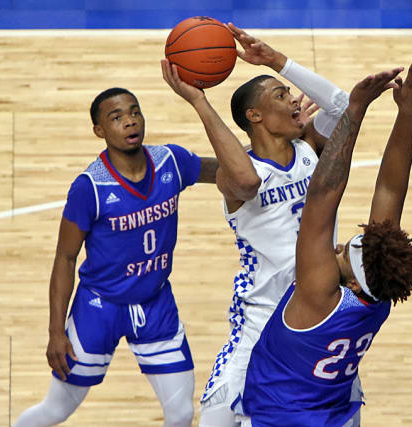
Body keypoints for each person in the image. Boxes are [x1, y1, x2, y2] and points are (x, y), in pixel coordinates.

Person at [162, 23, 391, 426]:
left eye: (288, 92)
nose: (293, 100)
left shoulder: (311, 151)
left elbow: (341, 106)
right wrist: (199, 102)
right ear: (255, 116)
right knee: (216, 415)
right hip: (262, 313)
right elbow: (249, 182)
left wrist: (277, 61)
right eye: (280, 95)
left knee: (339, 412)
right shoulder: (237, 175)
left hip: (320, 312)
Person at [240, 58, 412, 426]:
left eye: (345, 252)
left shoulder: (318, 297)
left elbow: (321, 196)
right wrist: (409, 111)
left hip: (282, 418)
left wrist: (355, 111)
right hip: (337, 414)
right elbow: (390, 188)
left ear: (351, 282)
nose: (337, 247)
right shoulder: (377, 292)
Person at [14, 87, 223, 427]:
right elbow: (65, 258)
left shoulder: (171, 161)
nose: (130, 122)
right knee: (55, 410)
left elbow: (227, 169)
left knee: (182, 412)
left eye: (134, 112)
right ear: (100, 131)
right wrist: (55, 331)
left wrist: (270, 148)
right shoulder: (89, 187)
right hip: (99, 308)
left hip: (156, 305)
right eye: (117, 117)